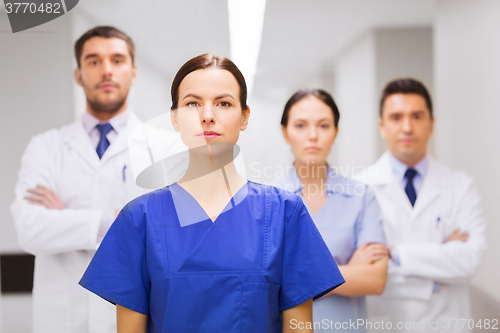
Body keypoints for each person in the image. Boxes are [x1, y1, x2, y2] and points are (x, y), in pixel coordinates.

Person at [79, 54, 345, 333]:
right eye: (192, 103)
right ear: (175, 118)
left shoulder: (286, 214)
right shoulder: (138, 219)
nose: (207, 115)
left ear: (244, 117)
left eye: (224, 103)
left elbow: (299, 328)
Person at [11, 26, 151, 333]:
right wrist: (114, 220)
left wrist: (65, 220)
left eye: (117, 60)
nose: (106, 70)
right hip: (61, 319)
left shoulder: (160, 149)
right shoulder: (46, 146)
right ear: (78, 74)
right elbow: (29, 229)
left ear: (133, 71)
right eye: (93, 61)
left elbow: (160, 236)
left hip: (132, 316)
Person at [355, 78, 486, 332]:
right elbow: (367, 273)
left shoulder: (461, 186)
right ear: (382, 126)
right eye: (396, 117)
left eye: (417, 116)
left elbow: (470, 260)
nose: (407, 127)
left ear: (431, 123)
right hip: (386, 323)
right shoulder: (359, 188)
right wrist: (439, 269)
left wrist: (395, 254)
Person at [274, 89, 388, 332]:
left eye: (324, 126)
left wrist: (298, 277)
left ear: (335, 132)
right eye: (301, 125)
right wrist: (347, 272)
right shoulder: (269, 200)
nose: (313, 136)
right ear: (285, 132)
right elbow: (269, 285)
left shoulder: (361, 196)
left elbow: (376, 280)